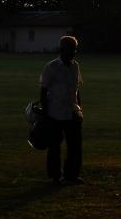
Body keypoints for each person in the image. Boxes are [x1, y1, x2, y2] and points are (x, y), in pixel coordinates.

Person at [40, 35, 83, 184]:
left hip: (71, 111)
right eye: (70, 49)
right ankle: (55, 176)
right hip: (54, 112)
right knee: (54, 146)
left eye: (74, 49)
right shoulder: (51, 67)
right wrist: (45, 113)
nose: (73, 52)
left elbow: (77, 89)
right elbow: (43, 91)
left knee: (75, 146)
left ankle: (71, 175)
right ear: (62, 49)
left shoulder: (75, 66)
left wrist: (80, 109)